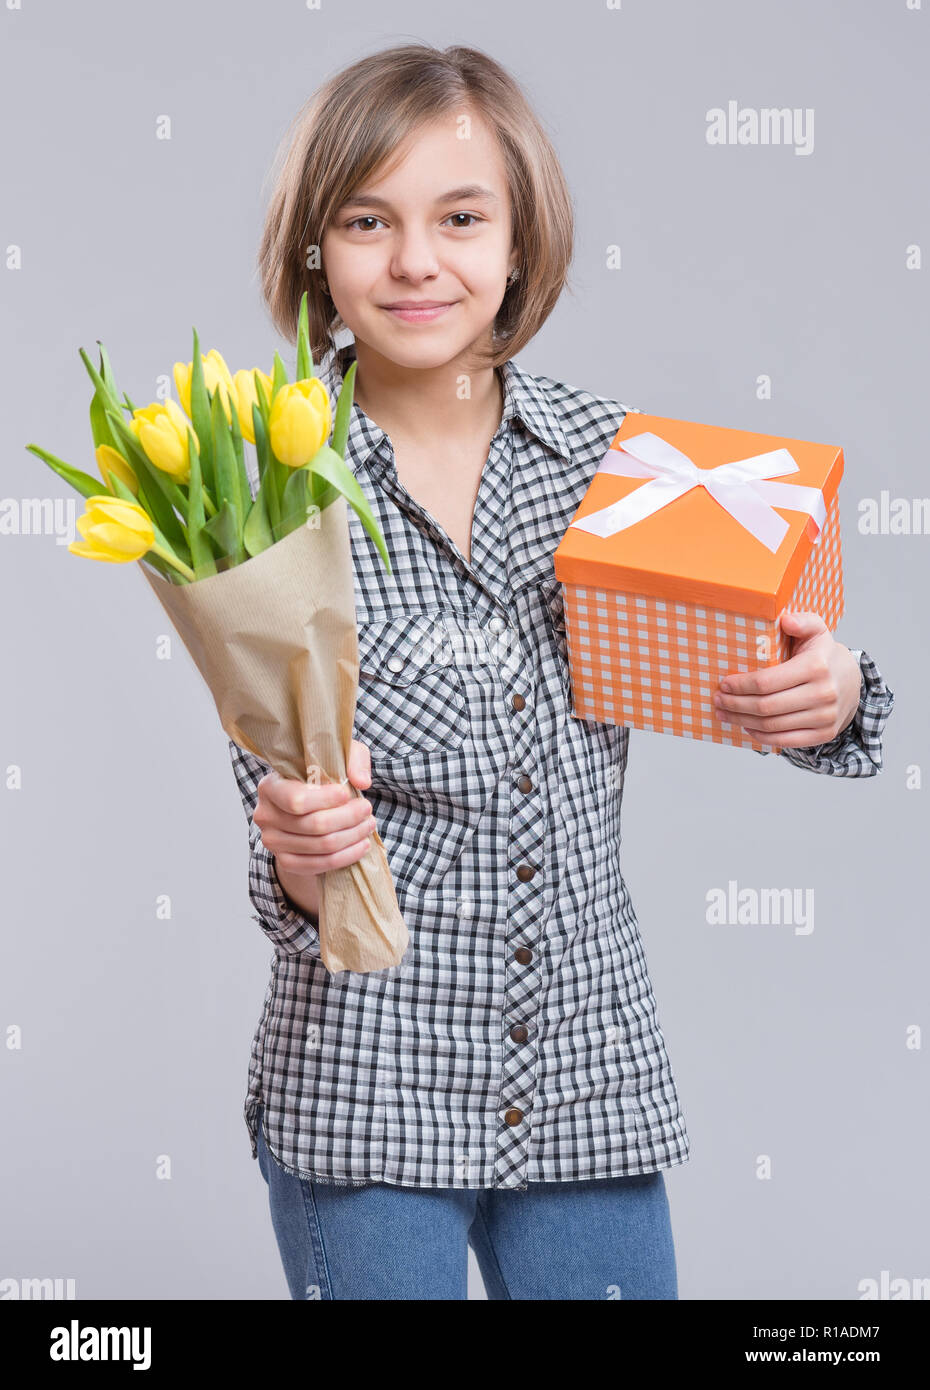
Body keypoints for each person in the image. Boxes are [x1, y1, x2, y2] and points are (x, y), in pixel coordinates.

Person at [228, 42, 896, 1301]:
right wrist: (300, 850)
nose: (416, 261)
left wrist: (835, 698)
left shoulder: (625, 464)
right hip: (369, 1087)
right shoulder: (263, 488)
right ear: (315, 250)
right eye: (367, 221)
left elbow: (764, 665)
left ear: (522, 240)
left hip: (586, 1073)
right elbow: (271, 841)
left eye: (460, 217)